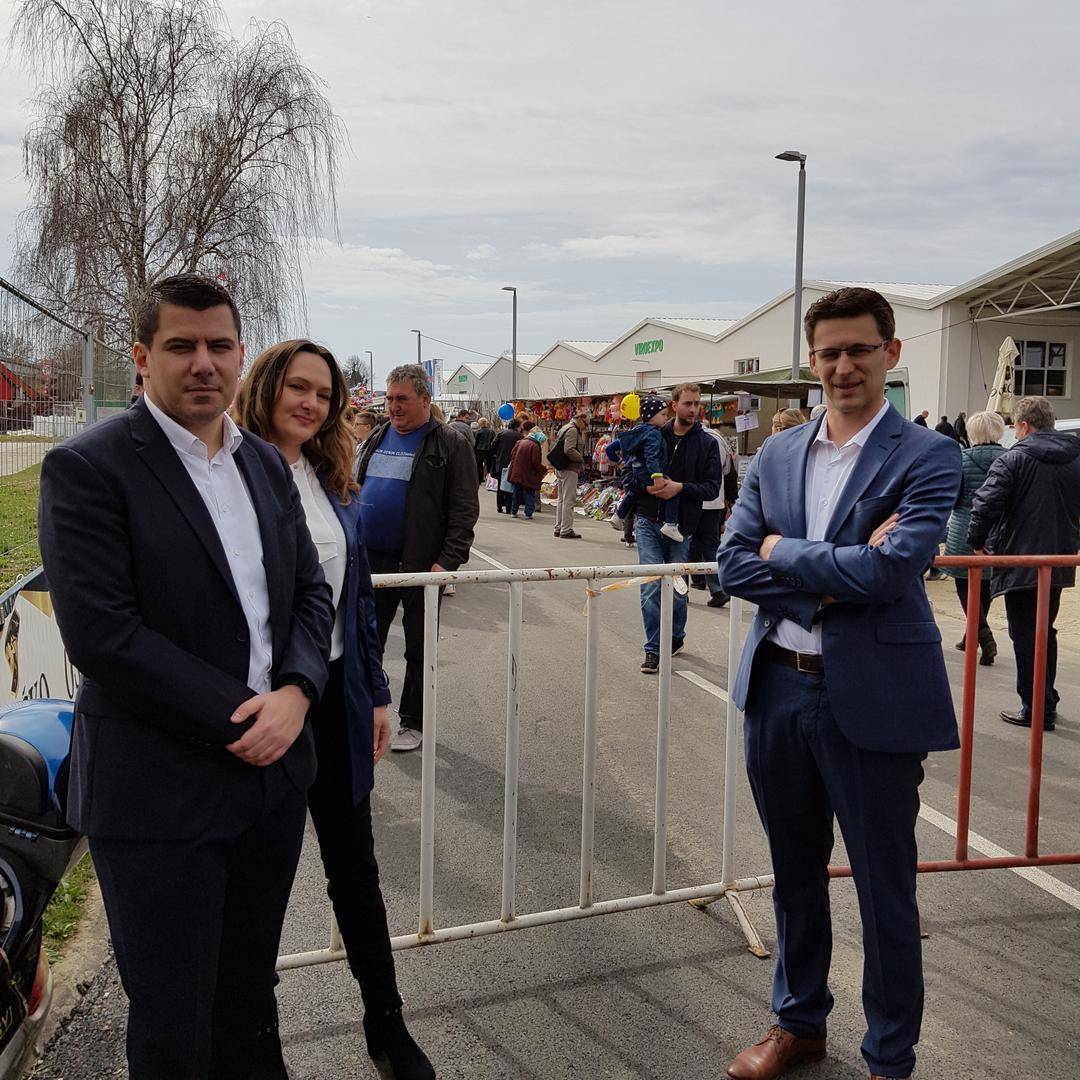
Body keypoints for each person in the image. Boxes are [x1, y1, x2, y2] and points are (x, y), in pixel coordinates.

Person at [37, 274, 335, 1080]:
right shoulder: (88, 468)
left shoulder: (263, 464)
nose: (203, 363)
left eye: (219, 345)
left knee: (247, 999)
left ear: (241, 356)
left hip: (270, 784)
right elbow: (105, 636)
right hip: (158, 794)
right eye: (181, 346)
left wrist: (297, 693)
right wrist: (249, 714)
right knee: (173, 1024)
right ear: (143, 358)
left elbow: (310, 595)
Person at [718, 286, 961, 1080]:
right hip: (778, 689)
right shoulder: (778, 454)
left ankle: (890, 1057)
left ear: (891, 353)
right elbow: (731, 563)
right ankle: (799, 1023)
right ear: (812, 359)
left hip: (874, 697)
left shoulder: (928, 455)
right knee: (794, 876)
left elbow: (893, 570)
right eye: (830, 353)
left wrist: (782, 551)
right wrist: (828, 581)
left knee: (886, 890)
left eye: (860, 349)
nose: (844, 366)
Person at [234, 341, 434, 1080]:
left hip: (338, 697)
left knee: (356, 872)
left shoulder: (330, 478)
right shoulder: (233, 474)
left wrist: (377, 693)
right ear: (265, 387)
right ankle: (261, 1044)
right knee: (259, 890)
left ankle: (387, 1023)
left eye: (324, 394)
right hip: (270, 706)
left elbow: (356, 600)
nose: (311, 404)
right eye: (298, 387)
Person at [356, 364, 479, 752]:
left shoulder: (450, 444)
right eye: (390, 399)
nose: (393, 406)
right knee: (365, 643)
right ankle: (364, 715)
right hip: (371, 562)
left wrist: (447, 562)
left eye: (402, 399)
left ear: (425, 399)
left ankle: (413, 721)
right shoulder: (377, 436)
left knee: (419, 649)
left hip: (421, 566)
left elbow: (464, 508)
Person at [968, 395, 1080, 732]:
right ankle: (1046, 698)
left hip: (1020, 556)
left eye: (1015, 428)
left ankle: (1037, 707)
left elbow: (985, 503)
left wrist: (977, 542)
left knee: (1026, 634)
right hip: (1059, 557)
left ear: (1025, 426)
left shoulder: (1013, 459)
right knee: (1045, 629)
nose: (1014, 434)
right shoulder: (1075, 457)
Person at [635, 383, 721, 674]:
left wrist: (680, 488)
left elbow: (712, 488)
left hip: (682, 526)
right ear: (674, 405)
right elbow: (629, 474)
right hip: (648, 520)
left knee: (676, 588)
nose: (694, 409)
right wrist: (647, 487)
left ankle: (675, 635)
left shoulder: (707, 443)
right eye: (688, 403)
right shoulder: (654, 433)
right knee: (651, 585)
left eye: (697, 403)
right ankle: (652, 649)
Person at [941, 410, 1008, 665]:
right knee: (986, 585)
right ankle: (972, 635)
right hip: (997, 531)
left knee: (964, 583)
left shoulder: (962, 459)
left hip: (964, 529)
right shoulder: (1010, 458)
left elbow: (954, 496)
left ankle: (984, 635)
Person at [604, 395, 683, 541]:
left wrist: (620, 463)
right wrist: (657, 476)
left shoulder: (638, 431)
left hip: (636, 471)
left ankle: (619, 515)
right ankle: (671, 524)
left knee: (633, 493)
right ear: (652, 416)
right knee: (673, 490)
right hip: (650, 472)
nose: (666, 418)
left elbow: (610, 448)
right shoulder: (654, 434)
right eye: (663, 414)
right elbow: (651, 456)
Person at [690, 403, 739, 607]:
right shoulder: (718, 438)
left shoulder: (687, 437)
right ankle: (717, 588)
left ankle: (681, 589)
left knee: (685, 543)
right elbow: (728, 470)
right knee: (710, 544)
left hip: (691, 498)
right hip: (714, 500)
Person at [551, 408, 590, 539]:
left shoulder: (565, 428)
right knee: (569, 500)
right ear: (580, 419)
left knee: (561, 499)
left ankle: (559, 527)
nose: (586, 427)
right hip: (569, 468)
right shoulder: (573, 430)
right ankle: (566, 529)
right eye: (586, 424)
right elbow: (569, 450)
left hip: (561, 467)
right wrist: (581, 459)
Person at [507, 419, 546, 519]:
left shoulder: (520, 442)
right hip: (529, 473)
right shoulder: (535, 446)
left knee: (516, 492)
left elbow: (512, 454)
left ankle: (514, 511)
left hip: (517, 471)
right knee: (530, 493)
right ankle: (528, 513)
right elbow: (535, 462)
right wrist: (543, 470)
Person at [490, 416, 523, 514]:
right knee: (510, 485)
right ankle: (509, 507)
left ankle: (499, 506)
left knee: (500, 485)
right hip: (513, 463)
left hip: (500, 462)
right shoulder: (519, 436)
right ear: (517, 426)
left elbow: (493, 447)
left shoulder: (501, 434)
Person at [474, 416, 496, 483]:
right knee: (489, 465)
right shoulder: (491, 431)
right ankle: (490, 480)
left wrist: (474, 450)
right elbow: (493, 440)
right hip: (489, 449)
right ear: (486, 423)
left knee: (479, 465)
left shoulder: (478, 432)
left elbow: (476, 442)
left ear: (480, 423)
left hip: (479, 450)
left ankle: (480, 479)